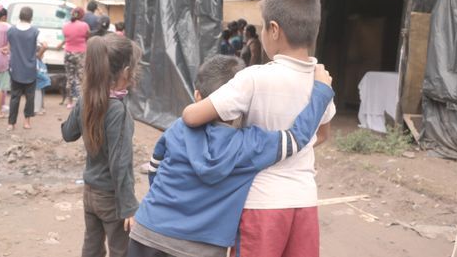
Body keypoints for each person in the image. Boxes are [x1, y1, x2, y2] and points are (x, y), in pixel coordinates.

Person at [182, 0, 336, 257]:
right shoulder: (321, 82)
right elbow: (322, 135)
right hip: (304, 200)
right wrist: (287, 152)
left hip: (260, 203)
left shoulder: (254, 78)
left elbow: (192, 116)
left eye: (264, 26)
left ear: (274, 30)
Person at [128, 55, 334, 257]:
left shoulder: (177, 128)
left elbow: (155, 171)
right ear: (242, 102)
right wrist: (322, 91)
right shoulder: (250, 145)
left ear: (198, 96)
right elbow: (297, 138)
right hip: (203, 247)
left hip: (147, 232)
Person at [61, 34, 141, 257]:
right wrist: (129, 206)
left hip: (90, 193)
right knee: (120, 250)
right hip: (111, 197)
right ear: (126, 72)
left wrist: (80, 105)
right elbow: (120, 162)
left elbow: (68, 133)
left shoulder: (89, 98)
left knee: (92, 247)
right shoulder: (117, 110)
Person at [6, 6, 39, 131]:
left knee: (15, 96)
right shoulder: (35, 31)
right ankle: (27, 122)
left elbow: (9, 46)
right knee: (30, 97)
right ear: (31, 17)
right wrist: (40, 54)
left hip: (15, 68)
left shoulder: (11, 31)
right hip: (30, 69)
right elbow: (42, 46)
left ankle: (11, 123)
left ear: (20, 16)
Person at [57, 7, 89, 109]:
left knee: (69, 78)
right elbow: (88, 37)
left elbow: (66, 38)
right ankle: (80, 102)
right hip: (80, 54)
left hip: (68, 53)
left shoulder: (65, 26)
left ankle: (69, 102)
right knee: (80, 78)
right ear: (82, 15)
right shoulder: (85, 26)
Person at [34, 42, 50, 115]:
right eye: (42, 53)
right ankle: (37, 109)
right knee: (37, 95)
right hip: (38, 82)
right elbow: (36, 71)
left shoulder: (40, 61)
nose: (43, 55)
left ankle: (41, 107)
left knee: (41, 95)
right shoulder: (36, 60)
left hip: (42, 82)